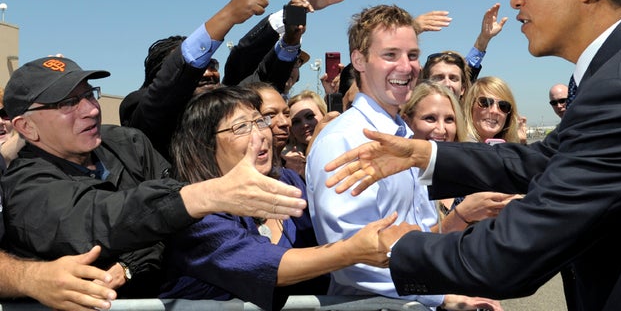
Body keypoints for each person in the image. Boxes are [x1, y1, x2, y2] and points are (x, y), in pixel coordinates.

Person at [323, 0, 621, 309]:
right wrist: (426, 155)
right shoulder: (617, 74)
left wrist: (395, 246)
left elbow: (518, 247)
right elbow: (543, 160)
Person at [0, 56, 307, 297]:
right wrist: (201, 197)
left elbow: (180, 225)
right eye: (68, 103)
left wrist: (131, 263)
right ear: (26, 127)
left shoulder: (127, 143)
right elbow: (104, 218)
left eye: (89, 95)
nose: (91, 110)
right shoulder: (25, 187)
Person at [306, 4, 501, 310]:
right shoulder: (342, 140)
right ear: (359, 59)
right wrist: (441, 295)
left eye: (412, 55)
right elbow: (352, 256)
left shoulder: (404, 137)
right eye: (390, 55)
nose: (406, 66)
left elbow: (423, 232)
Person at [159, 86, 395, 311]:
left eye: (260, 121)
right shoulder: (195, 213)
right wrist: (353, 251)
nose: (260, 134)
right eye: (241, 127)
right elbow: (266, 266)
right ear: (205, 144)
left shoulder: (288, 181)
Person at [119, 0, 270, 160]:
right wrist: (229, 14)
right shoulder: (144, 114)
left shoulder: (224, 107)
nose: (207, 73)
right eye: (197, 68)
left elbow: (257, 69)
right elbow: (166, 91)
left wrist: (290, 19)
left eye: (212, 64)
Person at [400, 82, 519, 228]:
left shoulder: (469, 173)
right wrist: (463, 215)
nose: (441, 130)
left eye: (449, 119)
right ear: (407, 122)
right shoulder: (402, 178)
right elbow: (407, 244)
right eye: (430, 118)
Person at [224, 0, 345, 97]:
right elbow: (244, 54)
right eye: (276, 57)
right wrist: (293, 13)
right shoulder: (240, 94)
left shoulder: (301, 109)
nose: (288, 64)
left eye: (296, 62)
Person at [417, 3, 508, 96]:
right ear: (423, 85)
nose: (447, 84)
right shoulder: (409, 108)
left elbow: (470, 68)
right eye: (439, 77)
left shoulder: (467, 108)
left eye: (453, 78)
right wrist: (412, 28)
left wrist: (484, 38)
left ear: (462, 89)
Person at [461, 76, 521, 143]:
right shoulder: (458, 147)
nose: (494, 111)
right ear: (470, 106)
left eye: (503, 106)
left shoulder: (509, 150)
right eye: (485, 102)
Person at [281, 90, 327, 177]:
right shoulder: (286, 163)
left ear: (324, 114)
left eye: (310, 116)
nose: (304, 125)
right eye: (296, 122)